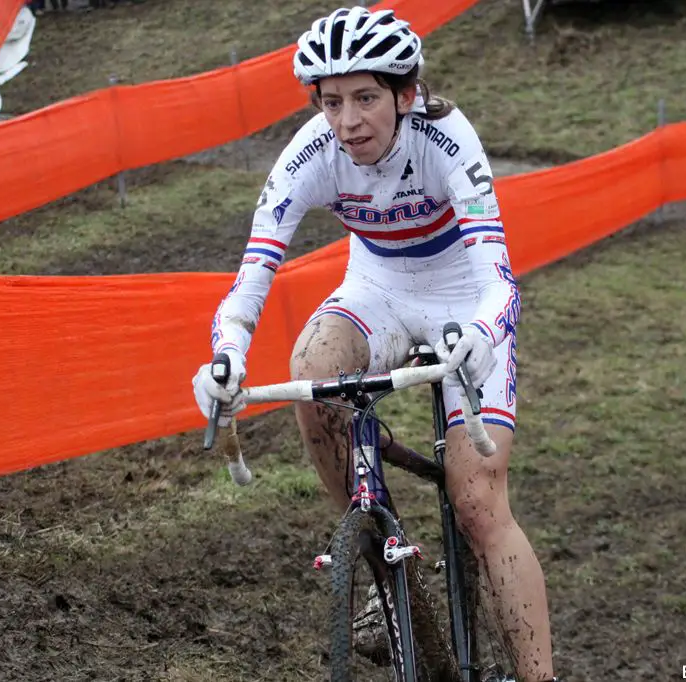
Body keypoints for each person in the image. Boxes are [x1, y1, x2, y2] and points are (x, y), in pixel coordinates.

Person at [192, 6, 561, 681]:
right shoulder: (311, 152)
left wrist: (483, 332)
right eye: (331, 102)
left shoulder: (446, 138)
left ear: (405, 95)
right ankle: (381, 575)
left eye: (365, 98)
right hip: (378, 289)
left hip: (462, 297)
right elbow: (251, 278)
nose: (348, 120)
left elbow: (500, 282)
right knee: (311, 372)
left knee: (477, 501)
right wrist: (226, 353)